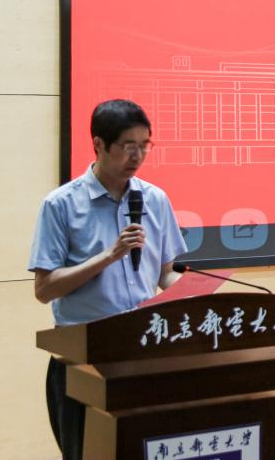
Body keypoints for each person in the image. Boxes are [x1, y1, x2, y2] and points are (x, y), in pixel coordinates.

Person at [28, 99, 188, 460]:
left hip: (144, 353)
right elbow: (45, 289)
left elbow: (165, 273)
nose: (138, 155)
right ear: (99, 144)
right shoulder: (61, 205)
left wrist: (192, 294)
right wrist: (109, 256)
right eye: (128, 146)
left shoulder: (154, 199)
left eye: (145, 145)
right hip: (85, 359)